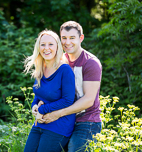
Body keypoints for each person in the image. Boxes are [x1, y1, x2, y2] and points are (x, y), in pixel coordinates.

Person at [39, 21, 102, 152]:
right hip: (66, 118)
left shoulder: (90, 63)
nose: (67, 42)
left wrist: (57, 114)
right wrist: (37, 107)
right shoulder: (59, 61)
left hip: (86, 121)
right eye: (64, 38)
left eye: (72, 38)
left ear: (81, 38)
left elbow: (89, 100)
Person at [23, 30, 76, 152]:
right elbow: (38, 95)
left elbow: (68, 100)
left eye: (51, 44)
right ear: (38, 47)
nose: (46, 48)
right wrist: (34, 107)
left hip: (59, 125)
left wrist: (42, 110)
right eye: (43, 44)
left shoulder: (65, 70)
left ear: (57, 47)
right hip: (41, 121)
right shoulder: (41, 68)